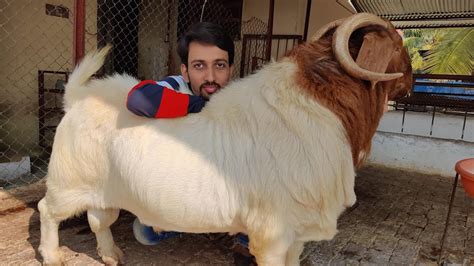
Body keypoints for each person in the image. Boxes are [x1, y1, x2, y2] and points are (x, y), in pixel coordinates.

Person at [127, 22, 251, 257]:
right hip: (182, 187)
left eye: (220, 65)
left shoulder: (238, 99)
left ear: (231, 69)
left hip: (222, 188)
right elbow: (137, 98)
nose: (211, 77)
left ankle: (241, 236)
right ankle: (201, 224)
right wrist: (200, 106)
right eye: (199, 66)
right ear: (185, 71)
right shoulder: (177, 86)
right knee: (145, 233)